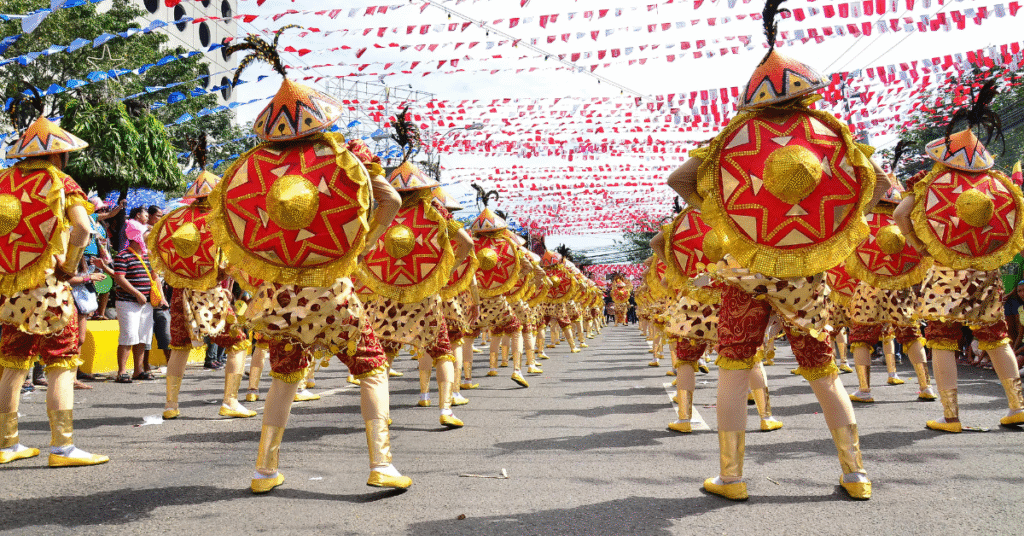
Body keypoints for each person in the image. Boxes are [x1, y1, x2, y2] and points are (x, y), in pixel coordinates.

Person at [666, 0, 885, 500]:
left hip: (744, 272)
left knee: (733, 369)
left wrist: (723, 212)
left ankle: (731, 478)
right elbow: (876, 185)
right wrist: (835, 225)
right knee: (824, 372)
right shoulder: (831, 133)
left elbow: (679, 179)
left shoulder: (733, 137)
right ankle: (855, 475)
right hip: (806, 275)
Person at [214, 28, 410, 493]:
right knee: (371, 367)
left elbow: (237, 225)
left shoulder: (257, 165)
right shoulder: (344, 153)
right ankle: (381, 464)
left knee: (284, 375)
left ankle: (264, 470)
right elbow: (390, 200)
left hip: (280, 295)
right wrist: (360, 243)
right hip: (332, 290)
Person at [893, 79, 1024, 432]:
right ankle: (1017, 405)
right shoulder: (997, 184)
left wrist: (919, 244)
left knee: (941, 339)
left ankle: (951, 416)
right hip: (985, 273)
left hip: (945, 272)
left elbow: (900, 215)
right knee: (996, 337)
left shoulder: (928, 180)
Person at [0, 109, 108, 467]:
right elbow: (84, 229)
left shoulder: (3, 181)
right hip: (49, 287)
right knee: (61, 364)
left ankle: (7, 444)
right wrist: (70, 267)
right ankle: (62, 448)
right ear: (58, 154)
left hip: (12, 288)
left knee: (13, 365)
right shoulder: (60, 181)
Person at [112, 224, 165, 382]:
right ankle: (122, 372)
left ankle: (138, 370)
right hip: (127, 302)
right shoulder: (123, 256)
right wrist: (136, 293)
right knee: (128, 336)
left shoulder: (148, 256)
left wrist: (161, 297)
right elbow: (119, 278)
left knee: (143, 336)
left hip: (146, 303)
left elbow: (155, 277)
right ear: (136, 237)